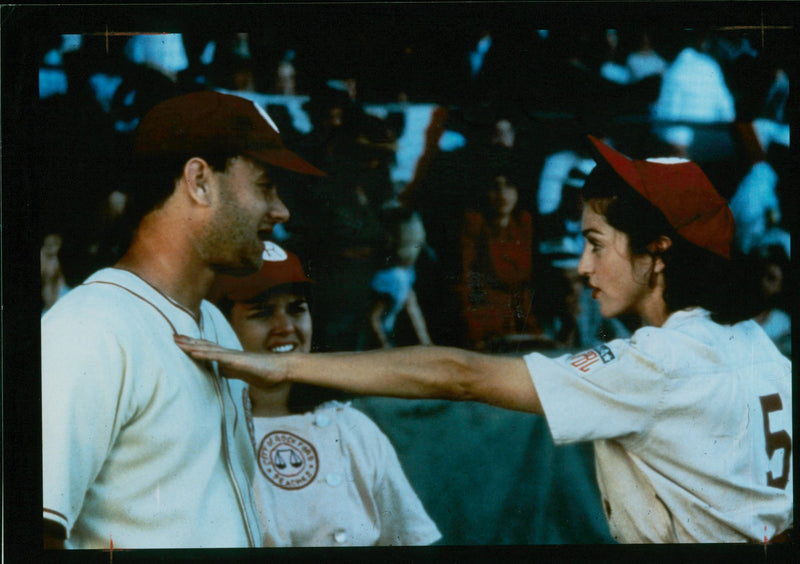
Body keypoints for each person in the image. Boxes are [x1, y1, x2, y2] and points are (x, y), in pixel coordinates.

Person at [176, 135, 792, 544]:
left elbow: (461, 375)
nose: (583, 266)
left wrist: (285, 368)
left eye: (596, 244)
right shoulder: (754, 343)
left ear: (658, 253)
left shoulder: (660, 361)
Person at [42, 91, 325, 549]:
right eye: (265, 186)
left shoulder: (213, 320)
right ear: (199, 181)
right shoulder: (90, 328)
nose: (281, 210)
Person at [211, 244, 442, 546]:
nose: (285, 327)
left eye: (297, 309)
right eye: (263, 312)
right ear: (221, 326)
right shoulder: (210, 436)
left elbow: (414, 540)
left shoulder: (353, 428)